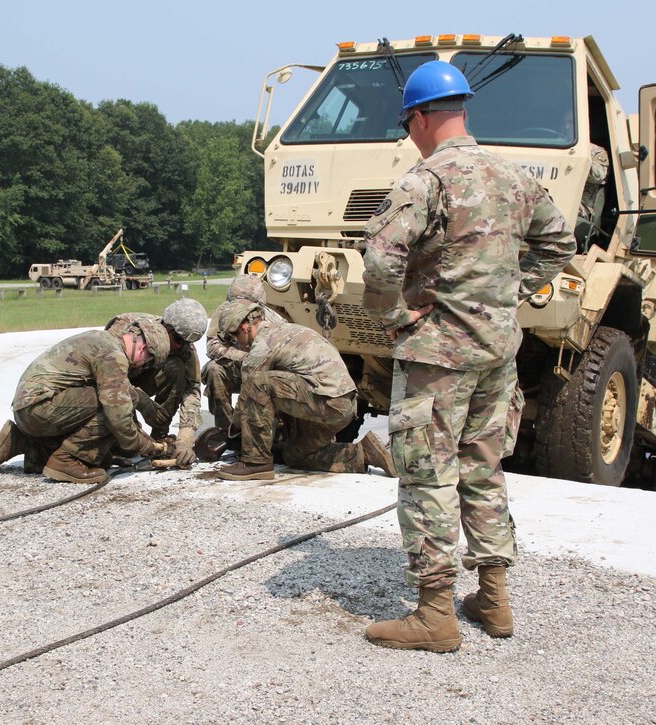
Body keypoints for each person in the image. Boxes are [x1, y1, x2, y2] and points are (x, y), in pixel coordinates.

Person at [360, 60, 575, 651]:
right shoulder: (514, 178)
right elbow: (560, 243)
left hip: (437, 359)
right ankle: (494, 598)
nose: (409, 134)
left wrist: (399, 314)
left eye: (409, 123)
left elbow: (379, 263)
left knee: (427, 474)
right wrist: (509, 294)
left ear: (422, 116)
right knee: (485, 469)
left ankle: (434, 614)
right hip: (497, 354)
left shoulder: (423, 182)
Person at [213, 299, 397, 481]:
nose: (239, 343)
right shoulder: (289, 329)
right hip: (343, 405)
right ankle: (365, 453)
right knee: (296, 456)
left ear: (244, 327)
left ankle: (256, 463)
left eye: (235, 337)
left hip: (325, 401)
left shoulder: (263, 344)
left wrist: (232, 434)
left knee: (257, 382)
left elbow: (249, 394)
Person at [0, 315, 171, 483]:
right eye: (147, 362)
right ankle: (66, 461)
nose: (142, 366)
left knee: (101, 457)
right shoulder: (113, 356)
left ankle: (21, 441)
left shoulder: (101, 339)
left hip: (28, 409)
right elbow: (118, 416)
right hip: (40, 408)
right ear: (144, 348)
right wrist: (148, 446)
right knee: (114, 406)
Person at [111, 298, 209, 468]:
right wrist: (138, 405)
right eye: (179, 340)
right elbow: (109, 378)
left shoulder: (184, 348)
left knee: (175, 368)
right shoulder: (128, 330)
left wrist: (186, 438)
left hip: (146, 383)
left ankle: (159, 435)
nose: (182, 347)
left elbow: (192, 389)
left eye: (187, 342)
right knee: (125, 448)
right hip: (120, 385)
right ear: (167, 327)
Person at [202, 273, 285, 440]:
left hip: (263, 372)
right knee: (214, 369)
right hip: (235, 370)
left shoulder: (274, 319)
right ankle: (227, 431)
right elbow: (212, 347)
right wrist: (246, 357)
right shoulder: (222, 313)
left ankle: (274, 428)